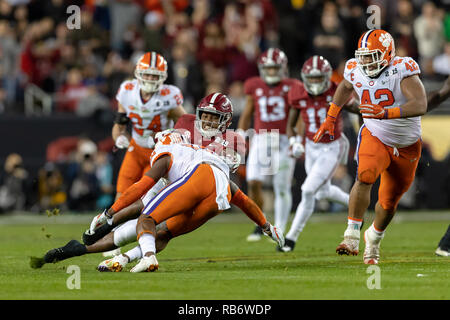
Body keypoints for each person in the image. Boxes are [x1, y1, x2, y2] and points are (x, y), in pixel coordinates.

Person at [33, 94, 284, 272]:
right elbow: (237, 194)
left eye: (213, 118)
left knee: (146, 219)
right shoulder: (189, 137)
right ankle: (117, 257)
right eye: (204, 117)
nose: (207, 122)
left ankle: (146, 255)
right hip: (218, 194)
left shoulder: (170, 152)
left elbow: (142, 189)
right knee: (161, 232)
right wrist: (265, 224)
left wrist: (110, 212)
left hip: (197, 180)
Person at [313, 29, 427, 265]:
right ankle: (351, 235)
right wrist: (330, 119)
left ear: (387, 53)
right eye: (363, 56)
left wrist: (387, 112)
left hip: (406, 145)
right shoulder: (355, 68)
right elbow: (345, 87)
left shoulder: (402, 69)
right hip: (375, 134)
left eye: (371, 55)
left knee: (388, 203)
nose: (365, 61)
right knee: (365, 175)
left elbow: (420, 104)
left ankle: (373, 238)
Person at [278, 55, 350, 252]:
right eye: (312, 78)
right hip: (311, 145)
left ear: (327, 77)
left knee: (308, 190)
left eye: (319, 78)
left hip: (332, 146)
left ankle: (291, 238)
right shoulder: (298, 93)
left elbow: (358, 109)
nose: (316, 83)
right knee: (322, 192)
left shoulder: (337, 90)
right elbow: (290, 125)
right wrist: (294, 142)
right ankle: (357, 203)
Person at [237, 48, 299, 241]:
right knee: (253, 181)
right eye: (268, 68)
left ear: (282, 68)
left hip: (283, 139)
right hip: (262, 137)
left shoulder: (293, 86)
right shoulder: (254, 85)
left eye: (275, 68)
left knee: (281, 185)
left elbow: (298, 115)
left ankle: (279, 229)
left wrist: (297, 138)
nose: (271, 72)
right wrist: (240, 132)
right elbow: (248, 111)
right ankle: (260, 224)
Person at [112, 51, 186, 200]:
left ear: (162, 77)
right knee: (121, 195)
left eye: (155, 75)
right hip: (135, 149)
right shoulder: (127, 92)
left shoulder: (169, 96)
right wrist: (118, 138)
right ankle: (115, 223)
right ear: (138, 73)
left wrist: (170, 138)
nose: (151, 79)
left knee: (146, 199)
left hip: (158, 153)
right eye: (147, 74)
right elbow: (119, 125)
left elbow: (185, 123)